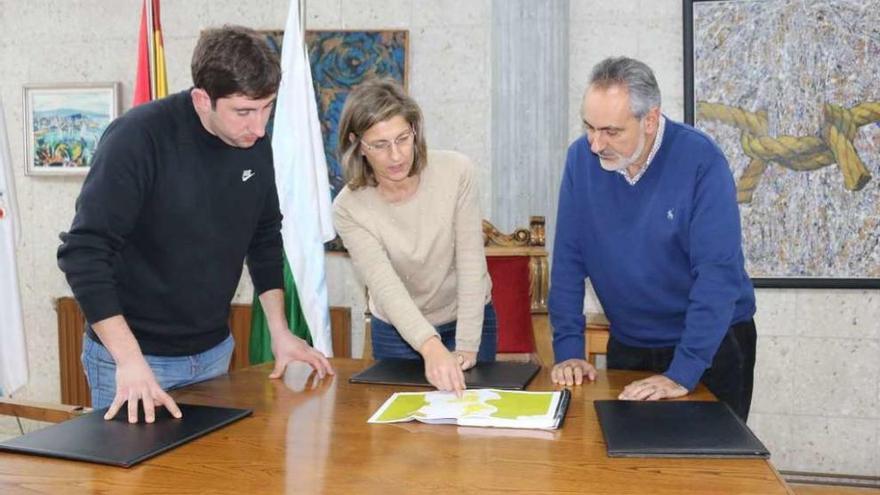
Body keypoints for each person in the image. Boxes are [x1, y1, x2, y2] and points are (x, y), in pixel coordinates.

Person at [57, 25, 333, 424]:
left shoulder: (253, 144)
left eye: (267, 107)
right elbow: (83, 254)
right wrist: (129, 359)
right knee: (137, 485)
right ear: (203, 99)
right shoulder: (138, 138)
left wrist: (280, 330)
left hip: (214, 354)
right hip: (136, 359)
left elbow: (264, 236)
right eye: (243, 112)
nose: (258, 127)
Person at [549, 56, 757, 420]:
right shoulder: (580, 160)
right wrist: (569, 349)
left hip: (710, 345)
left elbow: (717, 276)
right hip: (630, 342)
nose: (596, 144)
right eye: (589, 127)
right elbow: (568, 259)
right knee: (627, 469)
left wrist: (682, 372)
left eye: (611, 131)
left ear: (650, 119)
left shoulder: (701, 160)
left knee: (709, 472)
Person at [332, 78, 496, 396]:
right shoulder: (348, 208)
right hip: (396, 329)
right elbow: (385, 285)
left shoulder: (456, 171)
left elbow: (471, 262)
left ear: (415, 131)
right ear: (357, 144)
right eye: (379, 145)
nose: (396, 156)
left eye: (403, 139)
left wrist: (467, 344)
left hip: (468, 319)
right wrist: (429, 345)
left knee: (473, 425)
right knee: (401, 437)